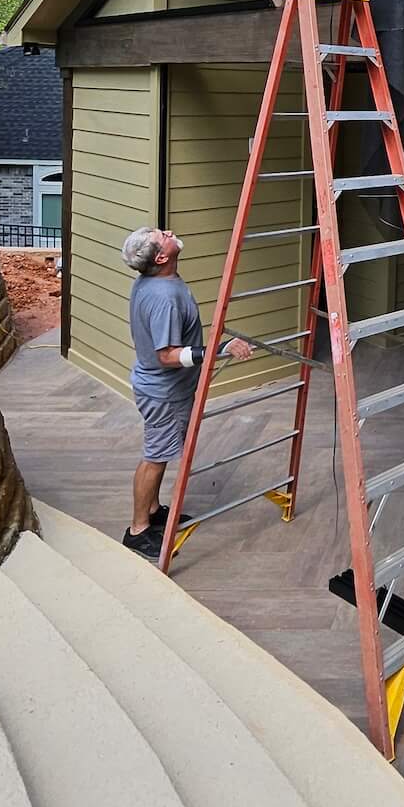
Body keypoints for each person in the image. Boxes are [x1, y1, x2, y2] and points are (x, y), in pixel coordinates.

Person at [120, 227, 254, 558]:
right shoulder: (164, 297)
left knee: (161, 451)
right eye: (159, 235)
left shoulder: (157, 282)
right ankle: (138, 530)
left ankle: (153, 513)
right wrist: (219, 350)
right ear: (162, 257)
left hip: (164, 389)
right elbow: (167, 355)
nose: (167, 231)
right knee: (155, 456)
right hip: (163, 393)